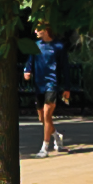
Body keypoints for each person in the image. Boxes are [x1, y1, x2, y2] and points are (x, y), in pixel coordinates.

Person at [24, 25, 71, 157]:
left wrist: (67, 88)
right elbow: (29, 62)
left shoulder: (59, 47)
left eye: (38, 29)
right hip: (39, 85)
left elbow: (65, 68)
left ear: (46, 30)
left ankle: (45, 148)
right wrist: (27, 71)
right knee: (42, 118)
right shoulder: (35, 46)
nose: (35, 32)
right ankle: (57, 136)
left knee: (46, 115)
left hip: (52, 84)